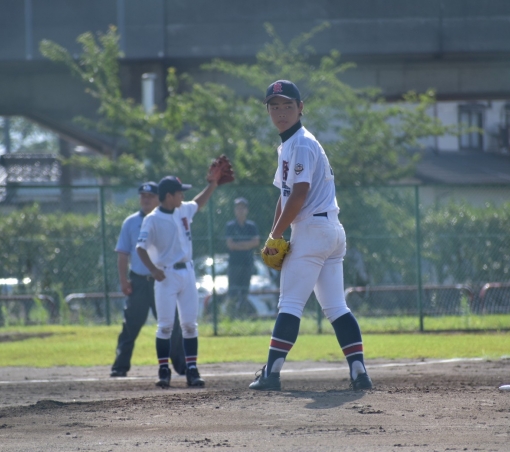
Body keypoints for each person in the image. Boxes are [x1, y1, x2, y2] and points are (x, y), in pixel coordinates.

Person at [249, 80, 373, 391]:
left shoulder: (301, 144)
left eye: (288, 106)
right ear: (267, 111)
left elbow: (299, 193)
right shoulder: (290, 144)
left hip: (312, 231)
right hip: (330, 231)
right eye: (274, 107)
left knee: (290, 304)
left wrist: (277, 234)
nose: (281, 112)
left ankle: (271, 374)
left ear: (301, 108)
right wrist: (274, 233)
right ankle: (359, 371)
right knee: (336, 307)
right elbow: (284, 195)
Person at [136, 170, 223, 388]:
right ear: (168, 196)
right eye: (179, 193)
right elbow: (140, 248)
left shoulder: (182, 209)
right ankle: (163, 369)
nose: (182, 196)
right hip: (165, 275)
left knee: (190, 325)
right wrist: (153, 270)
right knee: (165, 326)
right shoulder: (152, 219)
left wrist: (212, 185)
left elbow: (198, 203)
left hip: (188, 273)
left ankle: (192, 369)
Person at [110, 182, 186, 378]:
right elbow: (123, 254)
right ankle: (120, 366)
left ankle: (183, 366)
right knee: (130, 326)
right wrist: (123, 280)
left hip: (163, 280)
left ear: (158, 198)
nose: (146, 199)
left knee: (171, 325)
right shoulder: (130, 222)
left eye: (150, 196)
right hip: (139, 281)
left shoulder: (168, 218)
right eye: (143, 195)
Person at [225, 197, 260, 318]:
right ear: (235, 210)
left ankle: (243, 315)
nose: (240, 210)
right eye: (238, 208)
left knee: (245, 291)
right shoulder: (230, 226)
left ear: (247, 210)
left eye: (242, 208)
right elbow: (230, 245)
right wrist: (247, 244)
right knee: (233, 291)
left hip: (247, 263)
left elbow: (256, 242)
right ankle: (230, 316)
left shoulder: (251, 226)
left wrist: (238, 245)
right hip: (234, 264)